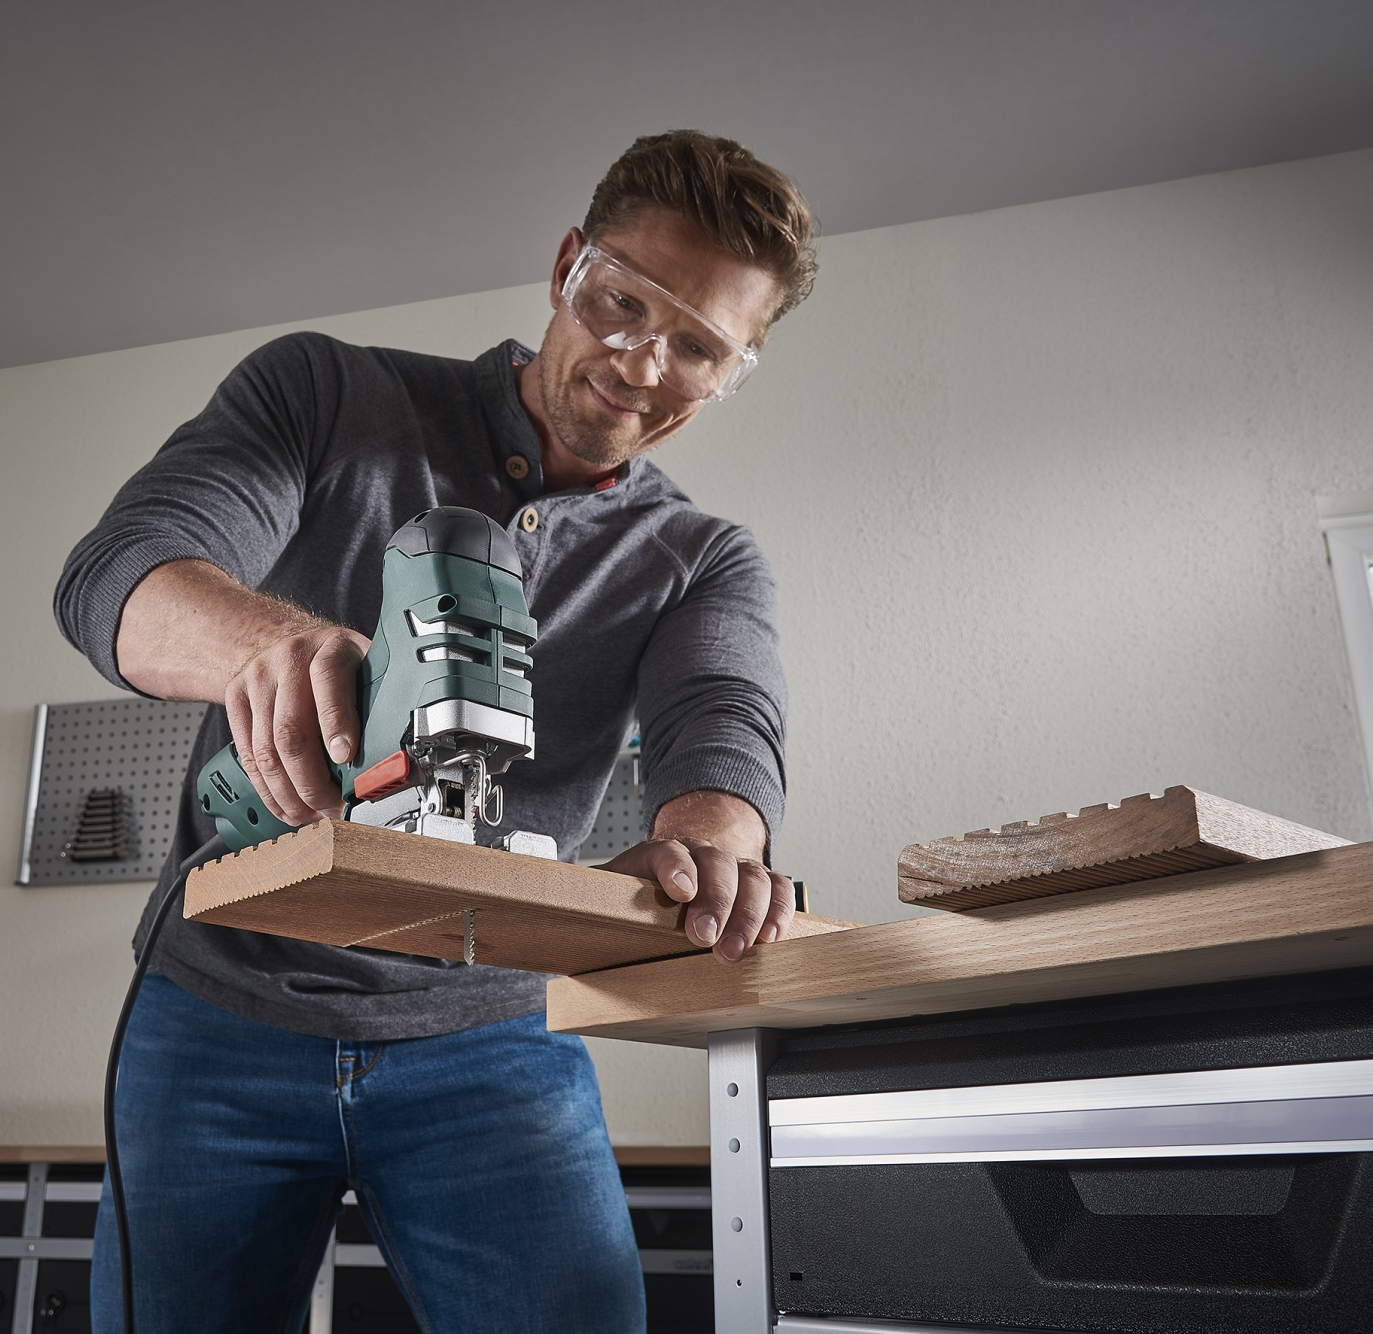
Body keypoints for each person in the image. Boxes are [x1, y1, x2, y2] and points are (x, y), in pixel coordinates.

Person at [55, 129, 818, 1333]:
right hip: (216, 1014)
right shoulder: (325, 391)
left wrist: (711, 840)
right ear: (566, 267)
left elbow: (723, 718)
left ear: (731, 369)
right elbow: (117, 574)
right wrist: (266, 649)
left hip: (488, 1029)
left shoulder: (698, 556)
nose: (640, 361)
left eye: (696, 347)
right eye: (621, 301)